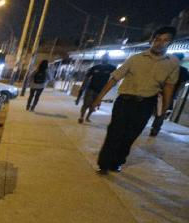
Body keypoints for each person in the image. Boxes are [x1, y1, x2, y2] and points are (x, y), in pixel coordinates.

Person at [93, 26, 180, 173]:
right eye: (158, 39)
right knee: (114, 132)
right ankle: (104, 164)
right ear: (152, 40)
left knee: (130, 136)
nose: (160, 43)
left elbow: (169, 87)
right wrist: (99, 98)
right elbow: (114, 78)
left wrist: (164, 108)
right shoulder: (135, 58)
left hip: (146, 104)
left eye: (165, 40)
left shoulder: (172, 63)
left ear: (170, 43)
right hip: (124, 102)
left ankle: (117, 161)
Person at [149, 53, 188, 136]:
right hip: (169, 95)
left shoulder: (166, 68)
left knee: (149, 109)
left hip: (156, 92)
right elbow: (182, 84)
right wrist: (175, 94)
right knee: (161, 113)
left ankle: (142, 127)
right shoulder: (183, 71)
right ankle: (154, 130)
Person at [77, 55, 117, 124]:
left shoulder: (112, 68)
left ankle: (87, 117)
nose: (104, 59)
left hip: (101, 90)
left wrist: (112, 85)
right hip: (91, 88)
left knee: (94, 104)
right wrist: (82, 89)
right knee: (86, 103)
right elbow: (86, 78)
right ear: (101, 59)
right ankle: (81, 117)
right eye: (104, 58)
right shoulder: (94, 68)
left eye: (106, 58)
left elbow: (116, 77)